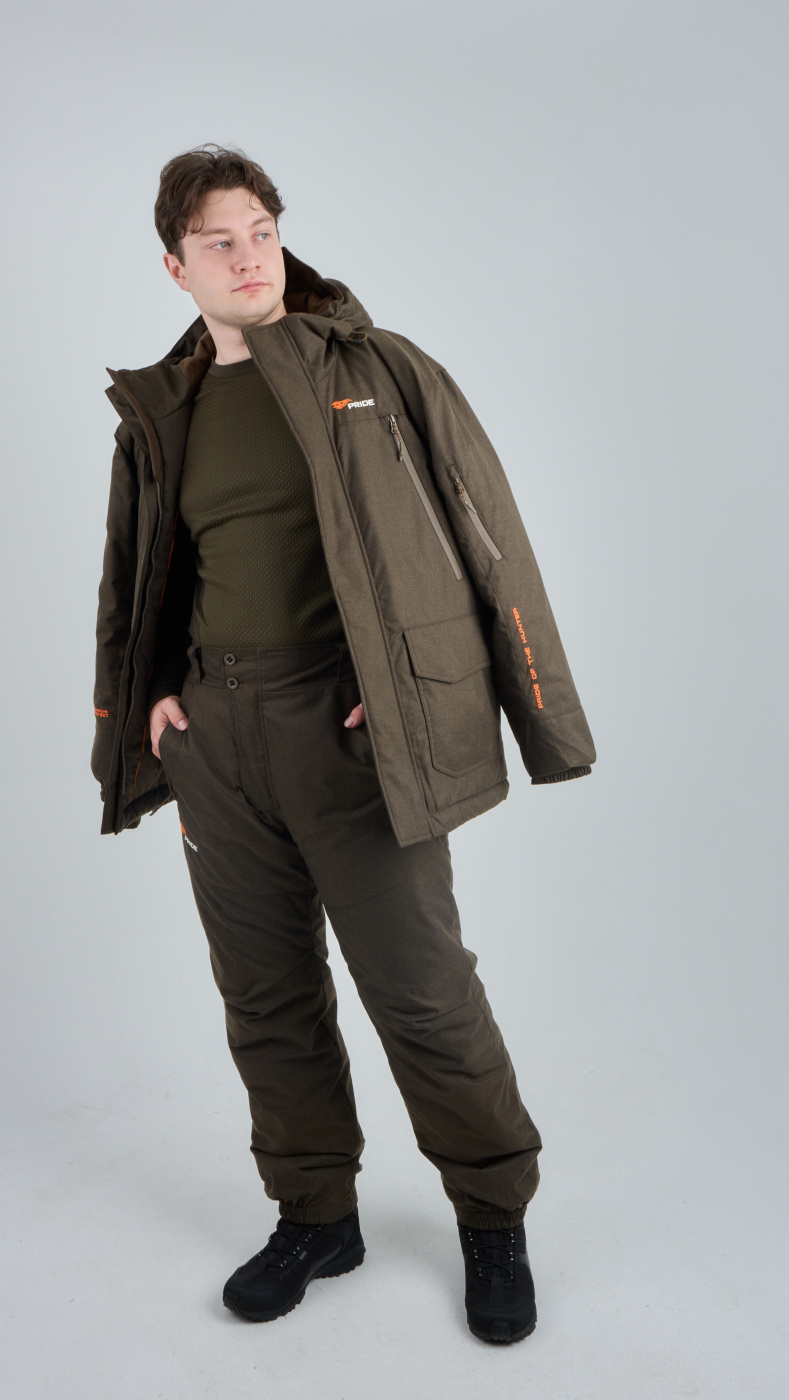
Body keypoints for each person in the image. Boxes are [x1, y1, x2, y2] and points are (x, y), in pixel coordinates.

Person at [91, 145, 596, 1343]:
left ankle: (491, 1214)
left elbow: (485, 530)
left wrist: (511, 705)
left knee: (421, 990)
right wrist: (155, 697)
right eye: (218, 241)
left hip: (353, 729)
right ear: (175, 266)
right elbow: (140, 577)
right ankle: (316, 1213)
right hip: (221, 737)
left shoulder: (374, 368)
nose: (248, 256)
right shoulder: (162, 412)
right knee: (266, 995)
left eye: (261, 231)